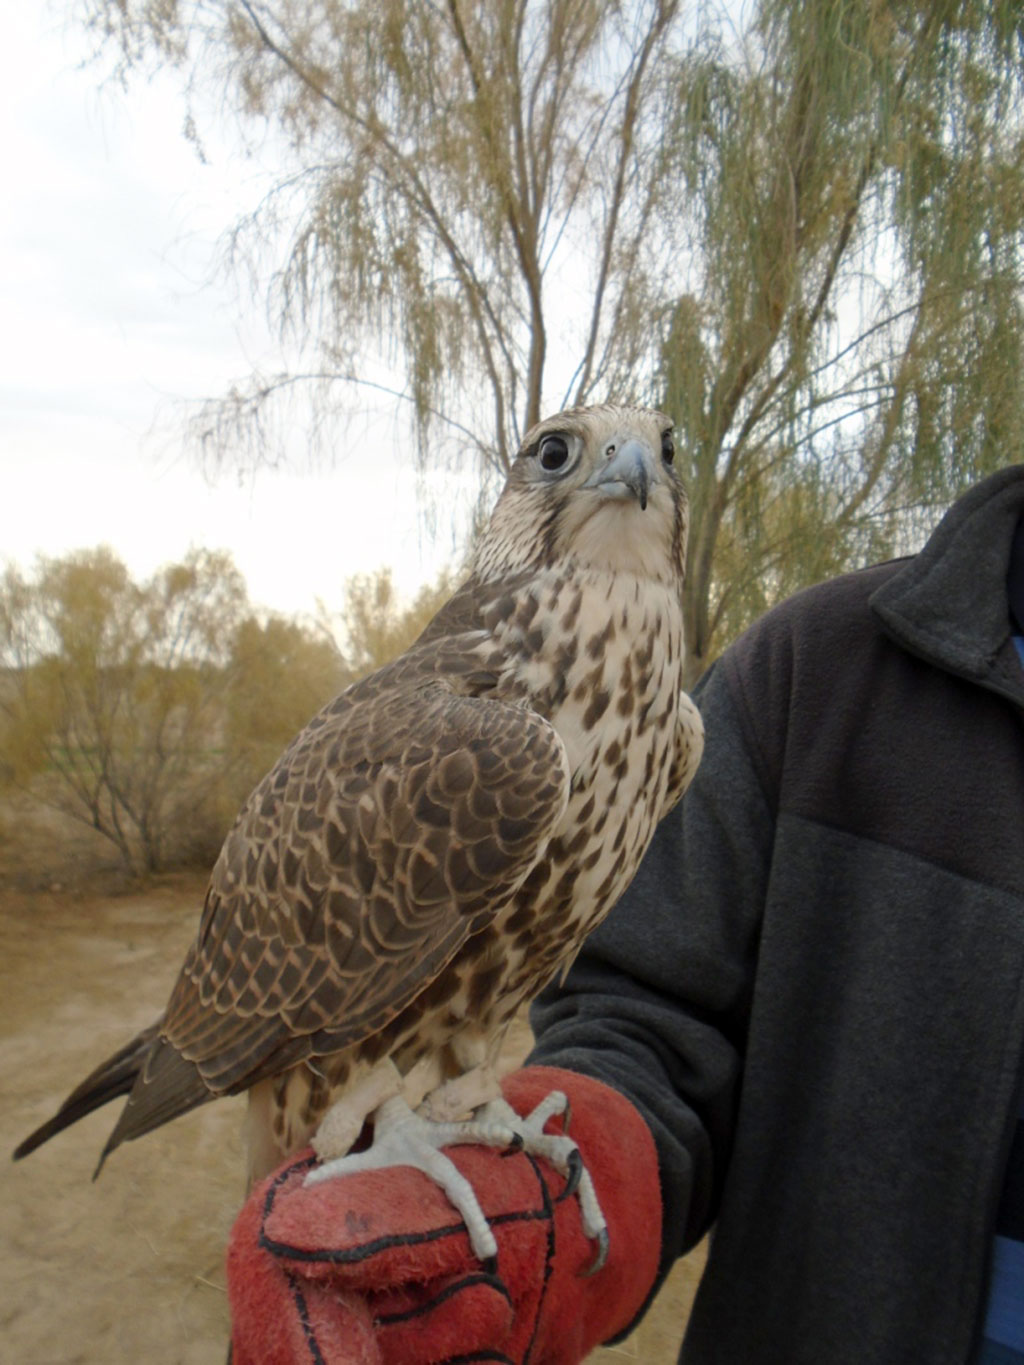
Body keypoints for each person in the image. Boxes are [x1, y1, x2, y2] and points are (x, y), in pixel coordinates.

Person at [227, 462, 1024, 1364]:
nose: (628, 467)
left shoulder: (665, 733)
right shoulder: (815, 667)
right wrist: (588, 1173)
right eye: (565, 453)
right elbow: (652, 1014)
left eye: (657, 450)